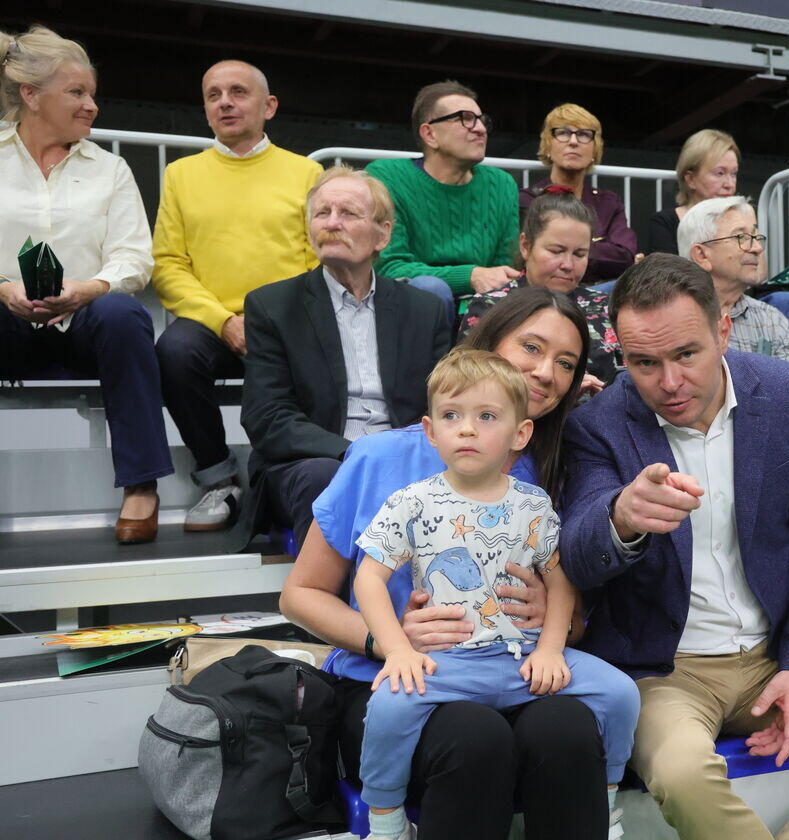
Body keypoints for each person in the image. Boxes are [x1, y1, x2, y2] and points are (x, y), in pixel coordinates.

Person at [561, 253, 789, 840]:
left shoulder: (785, 392)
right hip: (664, 670)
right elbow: (579, 553)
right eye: (644, 362)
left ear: (723, 331)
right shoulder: (598, 423)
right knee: (683, 774)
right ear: (621, 354)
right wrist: (621, 517)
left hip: (773, 652)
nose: (669, 381)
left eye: (686, 354)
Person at [281, 287, 615, 839]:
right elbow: (300, 594)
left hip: (514, 670)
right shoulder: (381, 456)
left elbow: (576, 620)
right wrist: (388, 641)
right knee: (475, 737)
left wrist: (552, 618)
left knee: (568, 729)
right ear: (487, 345)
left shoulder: (559, 469)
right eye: (531, 347)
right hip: (395, 682)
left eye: (566, 363)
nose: (545, 372)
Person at [351, 348, 639, 840]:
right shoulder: (411, 502)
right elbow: (368, 579)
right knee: (387, 708)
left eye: (486, 417)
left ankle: (607, 803)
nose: (466, 429)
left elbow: (560, 579)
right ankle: (386, 822)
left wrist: (551, 649)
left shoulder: (533, 503)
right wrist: (397, 650)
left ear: (520, 433)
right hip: (449, 664)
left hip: (522, 660)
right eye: (451, 416)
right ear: (430, 430)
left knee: (621, 693)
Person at [0, 25, 171, 544]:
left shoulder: (111, 169)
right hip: (7, 324)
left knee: (124, 313)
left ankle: (141, 486)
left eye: (92, 93)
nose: (92, 105)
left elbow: (134, 258)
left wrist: (89, 288)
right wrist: (3, 289)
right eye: (77, 92)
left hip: (84, 326)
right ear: (31, 95)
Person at [239, 166, 449, 550]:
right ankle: (342, 590)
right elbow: (267, 417)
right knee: (328, 478)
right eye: (322, 213)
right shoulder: (273, 306)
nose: (332, 223)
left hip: (404, 457)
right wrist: (356, 453)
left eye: (348, 213)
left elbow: (442, 406)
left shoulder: (425, 310)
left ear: (383, 234)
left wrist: (399, 454)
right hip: (317, 460)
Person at [152, 59, 322, 532]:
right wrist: (222, 321)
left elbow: (319, 261)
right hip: (215, 324)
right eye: (213, 95)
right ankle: (218, 479)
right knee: (174, 351)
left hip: (287, 319)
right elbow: (168, 265)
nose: (224, 102)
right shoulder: (181, 175)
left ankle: (287, 480)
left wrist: (271, 319)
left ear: (269, 106)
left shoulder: (306, 172)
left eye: (238, 92)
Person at [366, 80, 518, 322]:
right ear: (430, 134)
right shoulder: (387, 177)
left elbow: (505, 269)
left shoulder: (501, 184)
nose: (480, 129)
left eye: (482, 120)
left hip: (480, 306)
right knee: (431, 289)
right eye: (466, 119)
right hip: (409, 303)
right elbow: (389, 266)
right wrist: (470, 276)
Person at [460, 189, 621, 386]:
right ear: (525, 246)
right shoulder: (489, 305)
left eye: (579, 254)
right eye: (556, 251)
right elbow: (464, 381)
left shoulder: (604, 307)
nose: (568, 264)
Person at [518, 104, 636, 285]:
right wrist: (594, 252)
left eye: (584, 134)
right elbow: (527, 258)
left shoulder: (609, 202)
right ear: (548, 146)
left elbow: (625, 257)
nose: (573, 141)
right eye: (563, 133)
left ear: (594, 150)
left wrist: (560, 248)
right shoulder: (528, 199)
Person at [678, 196, 789, 362]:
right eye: (741, 237)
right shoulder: (670, 319)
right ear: (701, 255)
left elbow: (785, 379)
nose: (757, 248)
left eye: (755, 237)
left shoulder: (771, 320)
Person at [645, 129, 739, 256]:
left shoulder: (743, 219)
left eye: (734, 174)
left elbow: (758, 267)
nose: (730, 184)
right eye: (719, 173)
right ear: (690, 179)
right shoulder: (664, 223)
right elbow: (664, 269)